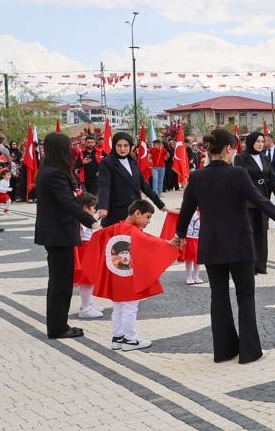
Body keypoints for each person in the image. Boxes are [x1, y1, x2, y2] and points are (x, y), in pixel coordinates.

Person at [174, 129, 275, 364]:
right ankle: (249, 351)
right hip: (240, 243)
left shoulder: (197, 177)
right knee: (245, 296)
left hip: (211, 245)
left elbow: (186, 210)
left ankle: (224, 351)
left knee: (219, 297)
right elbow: (260, 200)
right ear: (228, 149)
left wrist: (180, 234)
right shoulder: (237, 174)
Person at [84, 199, 177, 351]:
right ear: (137, 213)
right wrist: (169, 243)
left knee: (118, 307)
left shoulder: (114, 228)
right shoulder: (134, 232)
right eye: (147, 217)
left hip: (115, 275)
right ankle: (130, 339)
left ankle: (117, 338)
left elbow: (97, 236)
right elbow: (151, 242)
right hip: (128, 276)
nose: (148, 221)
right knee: (130, 307)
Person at [34, 132, 98, 340]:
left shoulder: (48, 170)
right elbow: (67, 203)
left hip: (56, 233)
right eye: (68, 146)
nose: (71, 150)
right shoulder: (55, 174)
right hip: (59, 234)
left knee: (60, 281)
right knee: (61, 283)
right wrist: (91, 221)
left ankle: (59, 324)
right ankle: (58, 328)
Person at [234, 132, 275, 274]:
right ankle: (249, 266)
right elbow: (240, 180)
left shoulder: (265, 157)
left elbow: (273, 179)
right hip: (248, 200)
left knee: (262, 232)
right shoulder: (240, 158)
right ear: (251, 142)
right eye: (257, 141)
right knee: (250, 233)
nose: (261, 144)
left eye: (262, 141)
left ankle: (260, 265)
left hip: (263, 199)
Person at [96, 132, 165, 227]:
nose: (122, 149)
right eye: (119, 145)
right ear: (114, 146)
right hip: (116, 211)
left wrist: (160, 204)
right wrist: (103, 207)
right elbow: (104, 186)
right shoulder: (107, 162)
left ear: (131, 146)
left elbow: (144, 185)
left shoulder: (133, 162)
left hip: (135, 212)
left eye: (126, 145)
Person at [72, 193, 103, 320]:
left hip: (87, 249)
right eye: (93, 207)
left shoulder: (82, 219)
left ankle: (88, 302)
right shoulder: (82, 221)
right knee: (88, 280)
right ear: (85, 208)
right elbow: (90, 224)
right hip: (85, 250)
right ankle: (85, 308)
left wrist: (96, 216)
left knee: (89, 280)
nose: (94, 210)